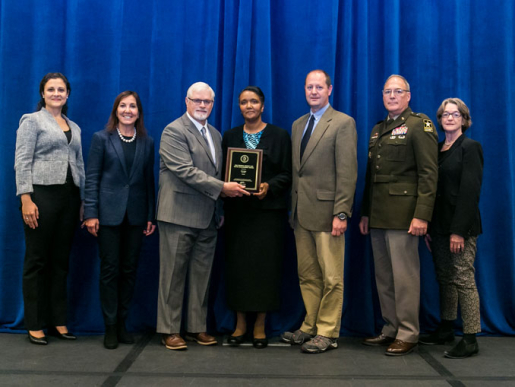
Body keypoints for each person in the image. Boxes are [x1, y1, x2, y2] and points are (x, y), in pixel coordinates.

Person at [156, 82, 249, 350]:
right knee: (172, 276)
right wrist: (223, 188)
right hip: (178, 215)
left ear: (213, 104)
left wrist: (220, 203)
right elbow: (184, 170)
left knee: (201, 276)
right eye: (197, 100)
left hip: (208, 217)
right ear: (186, 101)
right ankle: (170, 330)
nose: (202, 105)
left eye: (207, 102)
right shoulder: (173, 131)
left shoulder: (216, 134)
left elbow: (218, 172)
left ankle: (197, 327)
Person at [359, 74, 438, 356]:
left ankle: (408, 332)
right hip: (379, 215)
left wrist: (422, 216)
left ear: (408, 96)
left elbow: (429, 174)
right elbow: (372, 177)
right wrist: (366, 212)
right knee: (385, 277)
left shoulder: (420, 125)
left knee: (405, 277)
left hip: (405, 216)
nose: (392, 96)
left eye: (398, 91)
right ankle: (391, 328)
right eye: (387, 91)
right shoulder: (379, 129)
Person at [281, 70, 357, 354]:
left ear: (330, 89)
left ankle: (327, 332)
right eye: (309, 86)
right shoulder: (298, 124)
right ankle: (310, 325)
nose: (314, 91)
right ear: (304, 90)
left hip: (328, 214)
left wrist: (341, 213)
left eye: (319, 87)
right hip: (301, 214)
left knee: (331, 277)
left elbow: (347, 173)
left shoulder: (342, 123)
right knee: (307, 275)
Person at [14, 72, 85, 345]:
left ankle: (58, 321)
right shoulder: (31, 121)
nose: (57, 93)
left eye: (62, 89)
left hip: (69, 198)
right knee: (37, 260)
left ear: (68, 94)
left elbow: (79, 165)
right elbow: (22, 161)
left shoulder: (74, 127)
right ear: (43, 93)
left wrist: (83, 202)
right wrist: (26, 199)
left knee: (60, 262)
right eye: (51, 89)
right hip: (41, 196)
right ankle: (34, 323)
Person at [83, 91, 156, 349]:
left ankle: (123, 324)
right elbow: (91, 178)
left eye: (132, 106)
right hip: (107, 217)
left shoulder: (147, 142)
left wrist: (150, 215)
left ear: (139, 112)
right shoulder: (101, 139)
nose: (128, 110)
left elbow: (149, 182)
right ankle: (110, 327)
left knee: (129, 271)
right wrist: (90, 213)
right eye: (123, 106)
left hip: (136, 217)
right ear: (116, 111)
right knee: (110, 271)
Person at [222, 86, 292, 349]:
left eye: (253, 101)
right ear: (239, 107)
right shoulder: (229, 136)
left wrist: (269, 187)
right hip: (238, 215)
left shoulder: (279, 135)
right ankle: (240, 324)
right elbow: (221, 173)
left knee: (265, 269)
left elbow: (287, 173)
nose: (248, 106)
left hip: (268, 215)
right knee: (238, 268)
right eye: (243, 102)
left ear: (263, 106)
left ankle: (260, 325)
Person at [420, 98, 483, 359]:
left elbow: (470, 192)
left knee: (463, 278)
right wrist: (429, 226)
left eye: (455, 114)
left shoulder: (470, 147)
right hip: (438, 226)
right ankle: (446, 327)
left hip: (461, 227)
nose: (450, 118)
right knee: (444, 277)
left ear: (464, 120)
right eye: (445, 114)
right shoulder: (436, 149)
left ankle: (470, 337)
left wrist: (458, 231)